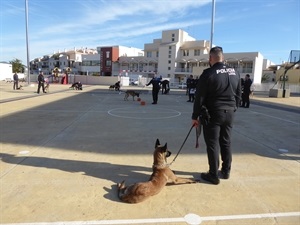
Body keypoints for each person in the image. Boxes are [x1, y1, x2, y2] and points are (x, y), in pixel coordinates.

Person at [192, 46, 241, 185]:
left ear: (210, 58)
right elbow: (238, 94)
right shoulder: (235, 72)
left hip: (214, 113)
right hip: (230, 112)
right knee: (226, 142)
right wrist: (234, 107)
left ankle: (213, 174)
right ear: (223, 58)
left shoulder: (208, 73)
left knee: (212, 144)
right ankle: (226, 171)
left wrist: (195, 116)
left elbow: (199, 97)